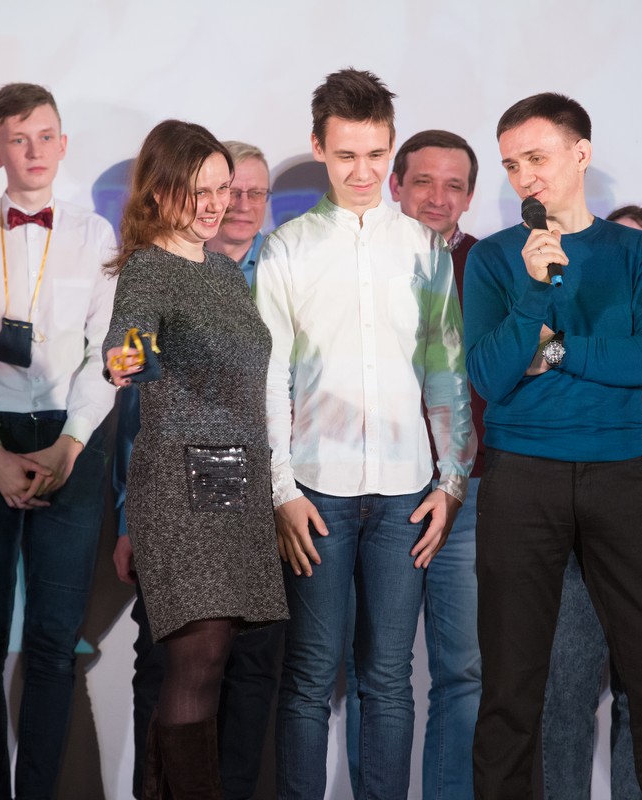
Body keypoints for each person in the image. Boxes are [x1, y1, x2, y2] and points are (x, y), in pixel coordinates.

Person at [463, 92, 642, 799]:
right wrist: (534, 295)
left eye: (536, 158)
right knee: (511, 681)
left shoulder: (632, 251)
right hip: (520, 476)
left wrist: (558, 349)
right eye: (512, 166)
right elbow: (489, 375)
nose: (525, 177)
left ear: (581, 154)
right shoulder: (495, 258)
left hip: (619, 471)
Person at [254, 69, 473, 800]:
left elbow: (446, 374)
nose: (363, 172)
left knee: (389, 678)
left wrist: (452, 482)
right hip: (315, 489)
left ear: (391, 148)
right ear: (319, 146)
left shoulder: (425, 248)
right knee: (309, 676)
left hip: (408, 491)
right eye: (346, 155)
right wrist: (281, 491)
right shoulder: (286, 248)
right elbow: (270, 379)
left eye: (376, 154)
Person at [0, 83, 117, 800]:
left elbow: (106, 357)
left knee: (53, 641)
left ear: (63, 144)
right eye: (17, 139)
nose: (33, 151)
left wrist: (70, 446)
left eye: (44, 136)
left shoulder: (95, 235)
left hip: (71, 440)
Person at [104, 119, 288, 798]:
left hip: (238, 484)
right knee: (196, 662)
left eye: (223, 188)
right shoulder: (149, 268)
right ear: (160, 191)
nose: (216, 204)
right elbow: (129, 338)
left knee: (219, 663)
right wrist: (125, 358)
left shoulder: (224, 271)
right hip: (181, 484)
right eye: (199, 190)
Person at [540, 205, 642, 800]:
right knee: (565, 688)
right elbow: (550, 406)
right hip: (575, 518)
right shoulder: (566, 338)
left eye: (641, 249)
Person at [389, 128, 483, 800]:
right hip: (376, 488)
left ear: (470, 197)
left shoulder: (495, 266)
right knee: (378, 671)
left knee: (464, 672)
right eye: (423, 181)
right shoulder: (360, 259)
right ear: (396, 185)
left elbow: (541, 352)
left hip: (470, 492)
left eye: (454, 185)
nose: (438, 197)